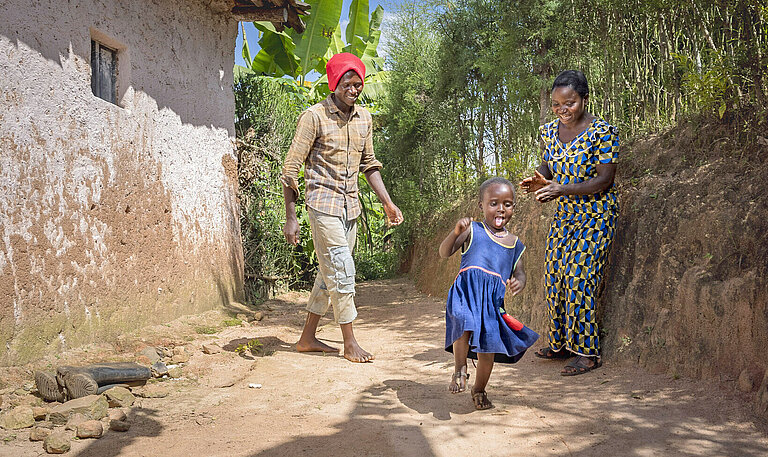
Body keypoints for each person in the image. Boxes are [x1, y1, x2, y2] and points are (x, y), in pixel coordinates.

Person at [281, 53, 403, 363]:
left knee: (329, 271)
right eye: (347, 83)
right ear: (335, 83)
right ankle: (350, 342)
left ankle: (307, 338)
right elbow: (291, 167)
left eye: (358, 83)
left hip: (350, 208)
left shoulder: (364, 118)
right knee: (343, 271)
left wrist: (387, 202)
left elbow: (370, 165)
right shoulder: (314, 117)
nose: (354, 88)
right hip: (322, 204)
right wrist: (291, 216)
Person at [520, 70, 619, 376]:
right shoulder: (549, 132)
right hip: (565, 216)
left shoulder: (604, 132)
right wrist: (540, 179)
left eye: (570, 103)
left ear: (584, 99)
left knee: (579, 277)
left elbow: (604, 179)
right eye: (556, 104)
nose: (563, 109)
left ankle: (588, 353)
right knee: (554, 276)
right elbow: (548, 165)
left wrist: (562, 188)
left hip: (597, 215)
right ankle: (562, 344)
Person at [439, 177, 539, 410]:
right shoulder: (472, 230)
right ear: (481, 206)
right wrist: (455, 233)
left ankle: (479, 389)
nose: (501, 209)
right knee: (463, 320)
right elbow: (445, 252)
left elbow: (521, 273)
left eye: (507, 203)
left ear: (514, 207)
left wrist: (519, 283)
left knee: (488, 350)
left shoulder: (514, 243)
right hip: (465, 292)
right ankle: (460, 370)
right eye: (494, 203)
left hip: (491, 304)